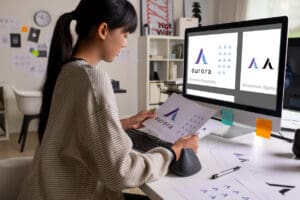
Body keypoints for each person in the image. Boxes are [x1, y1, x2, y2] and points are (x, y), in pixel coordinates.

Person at [18, 0, 199, 199]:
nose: (125, 42)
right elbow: (122, 173)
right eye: (125, 34)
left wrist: (120, 124)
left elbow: (73, 131)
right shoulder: (92, 78)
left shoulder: (68, 70)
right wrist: (174, 152)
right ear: (104, 30)